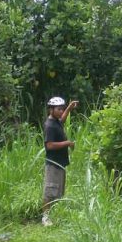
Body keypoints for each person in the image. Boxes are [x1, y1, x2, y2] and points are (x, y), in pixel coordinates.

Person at [42, 96, 78, 226]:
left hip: (60, 162)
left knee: (58, 190)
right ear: (51, 110)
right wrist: (67, 143)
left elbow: (62, 120)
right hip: (53, 163)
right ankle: (45, 217)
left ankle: (54, 214)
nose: (61, 112)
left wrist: (69, 108)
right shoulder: (50, 125)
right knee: (50, 190)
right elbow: (49, 145)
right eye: (59, 109)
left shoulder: (56, 121)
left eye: (62, 109)